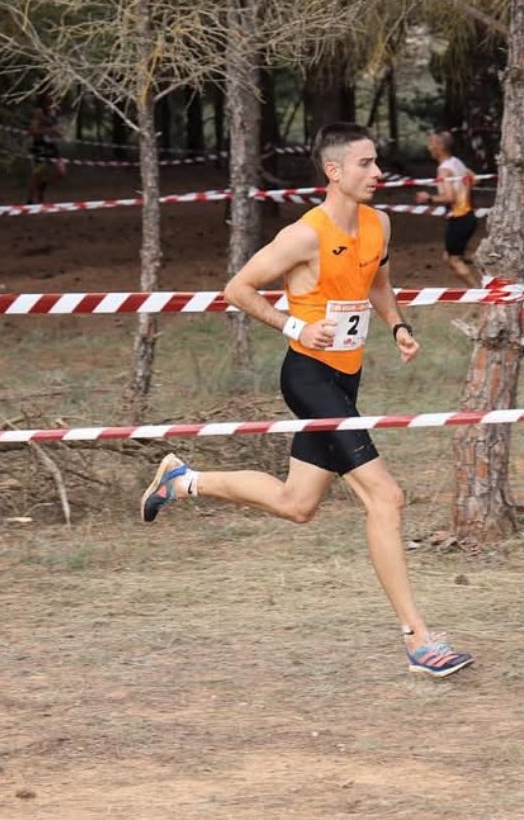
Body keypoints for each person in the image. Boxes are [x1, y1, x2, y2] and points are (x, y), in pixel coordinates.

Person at [140, 122, 474, 679]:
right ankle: (418, 638)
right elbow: (238, 290)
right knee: (386, 498)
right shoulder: (304, 235)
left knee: (298, 504)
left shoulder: (380, 224)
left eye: (377, 162)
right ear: (334, 171)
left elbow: (378, 285)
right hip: (308, 378)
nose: (377, 173)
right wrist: (294, 325)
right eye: (365, 164)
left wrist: (397, 328)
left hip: (347, 378)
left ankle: (182, 480)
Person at [415, 130, 481, 287]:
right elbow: (476, 179)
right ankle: (485, 260)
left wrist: (428, 198)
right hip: (468, 215)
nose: (429, 147)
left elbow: (449, 197)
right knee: (451, 256)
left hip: (459, 217)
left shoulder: (444, 169)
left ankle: (481, 294)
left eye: (431, 144)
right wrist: (463, 190)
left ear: (440, 147)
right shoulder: (456, 162)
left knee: (453, 259)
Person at [27, 93, 66, 204]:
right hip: (40, 146)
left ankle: (44, 185)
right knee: (37, 174)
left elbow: (57, 130)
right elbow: (31, 131)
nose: (52, 102)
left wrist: (59, 134)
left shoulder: (54, 112)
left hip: (52, 146)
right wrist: (46, 131)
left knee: (61, 172)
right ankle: (29, 200)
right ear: (44, 100)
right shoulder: (38, 113)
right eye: (49, 100)